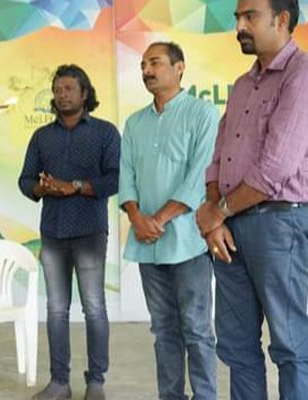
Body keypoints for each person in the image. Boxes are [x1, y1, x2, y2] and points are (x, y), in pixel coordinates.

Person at [196, 1, 308, 399]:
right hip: (230, 229)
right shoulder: (243, 85)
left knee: (289, 345)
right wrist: (215, 215)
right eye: (237, 18)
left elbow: (276, 168)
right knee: (236, 347)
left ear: (282, 19)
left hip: (279, 225)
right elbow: (219, 158)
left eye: (250, 17)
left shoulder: (306, 77)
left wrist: (217, 213)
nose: (239, 26)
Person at [119, 42, 219, 400]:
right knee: (163, 329)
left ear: (179, 68)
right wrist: (136, 217)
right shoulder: (135, 123)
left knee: (196, 328)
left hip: (188, 242)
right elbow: (126, 177)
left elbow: (200, 175)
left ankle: (205, 396)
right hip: (148, 243)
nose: (147, 70)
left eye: (155, 63)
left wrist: (158, 219)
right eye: (143, 65)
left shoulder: (203, 113)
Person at [18, 64, 120, 400]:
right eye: (57, 90)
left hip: (90, 231)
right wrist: (42, 189)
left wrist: (74, 186)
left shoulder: (105, 133)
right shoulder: (41, 136)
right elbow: (25, 180)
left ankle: (96, 382)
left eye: (69, 89)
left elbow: (115, 179)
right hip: (53, 232)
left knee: (94, 307)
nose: (62, 95)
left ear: (84, 93)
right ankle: (59, 382)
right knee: (56, 310)